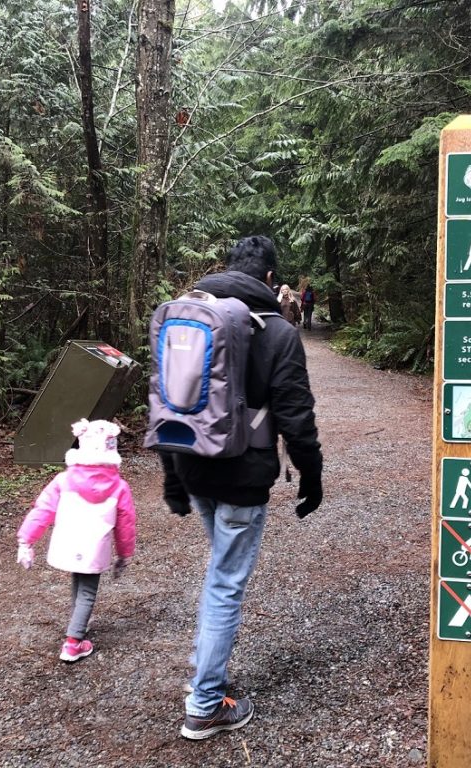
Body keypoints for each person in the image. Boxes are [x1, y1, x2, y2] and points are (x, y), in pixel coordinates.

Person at [159, 235, 323, 740]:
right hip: (243, 477)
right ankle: (206, 702)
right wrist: (311, 476)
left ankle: (212, 678)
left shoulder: (188, 321)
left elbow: (168, 401)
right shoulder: (278, 333)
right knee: (225, 582)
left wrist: (171, 477)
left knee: (220, 572)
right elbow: (295, 416)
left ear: (227, 269)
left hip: (192, 466)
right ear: (271, 280)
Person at [16, 418, 137, 663]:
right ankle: (73, 643)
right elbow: (125, 523)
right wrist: (124, 553)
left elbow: (42, 510)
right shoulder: (119, 487)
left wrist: (25, 540)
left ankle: (77, 621)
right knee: (88, 591)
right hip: (95, 547)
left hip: (68, 543)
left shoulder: (64, 480)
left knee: (78, 580)